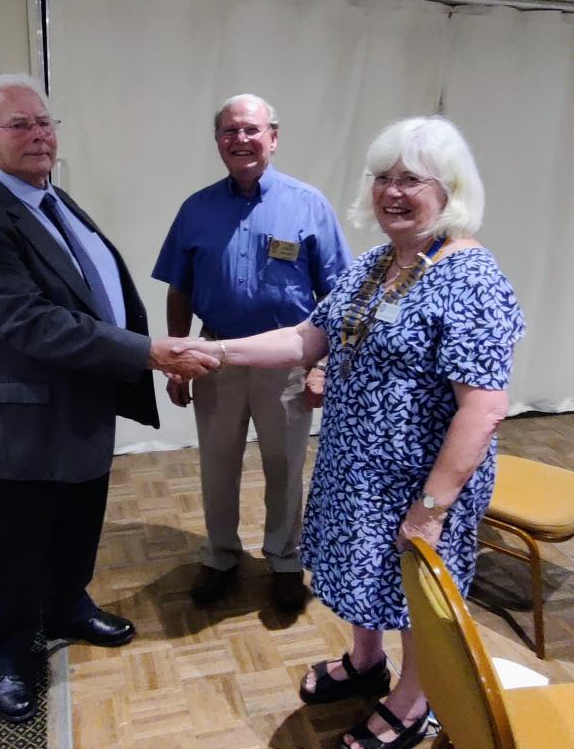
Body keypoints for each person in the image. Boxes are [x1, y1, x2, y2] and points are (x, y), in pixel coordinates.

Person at [173, 116, 525, 749]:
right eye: (383, 178)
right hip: (354, 466)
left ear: (449, 189)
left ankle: (415, 701)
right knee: (364, 574)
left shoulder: (471, 276)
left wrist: (432, 508)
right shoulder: (378, 262)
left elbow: (483, 409)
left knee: (417, 595)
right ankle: (367, 663)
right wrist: (218, 351)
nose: (392, 192)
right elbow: (309, 337)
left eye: (411, 180)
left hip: (420, 482)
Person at [0, 73, 217, 724]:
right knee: (9, 554)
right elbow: (30, 322)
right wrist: (148, 352)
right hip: (16, 426)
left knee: (75, 529)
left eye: (44, 121)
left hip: (78, 410)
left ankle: (68, 606)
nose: (38, 133)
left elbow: (88, 290)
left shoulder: (51, 198)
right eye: (19, 125)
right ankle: (7, 657)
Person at [152, 94, 351, 611]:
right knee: (217, 464)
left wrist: (323, 366)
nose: (240, 140)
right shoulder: (196, 209)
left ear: (274, 137)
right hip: (214, 355)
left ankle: (285, 560)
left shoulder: (310, 205)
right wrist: (177, 361)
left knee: (284, 464)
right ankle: (221, 555)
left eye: (251, 130)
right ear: (217, 140)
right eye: (229, 131)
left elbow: (336, 296)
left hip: (287, 358)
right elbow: (179, 289)